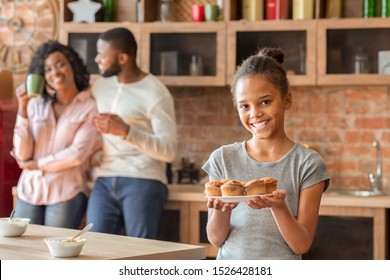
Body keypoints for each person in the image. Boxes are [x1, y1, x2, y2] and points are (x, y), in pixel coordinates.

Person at [202, 47, 330, 260]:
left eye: (265, 102)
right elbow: (215, 239)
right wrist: (222, 211)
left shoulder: (308, 164)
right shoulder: (222, 159)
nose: (255, 113)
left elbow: (301, 245)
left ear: (286, 100)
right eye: (244, 106)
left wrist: (279, 207)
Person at [86, 27, 177, 239]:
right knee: (92, 246)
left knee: (139, 251)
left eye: (103, 55)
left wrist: (126, 131)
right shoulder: (100, 86)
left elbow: (169, 151)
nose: (97, 59)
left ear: (123, 58)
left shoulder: (156, 93)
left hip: (143, 177)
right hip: (105, 177)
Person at [12, 40, 99, 229]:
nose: (55, 72)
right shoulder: (36, 105)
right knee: (23, 251)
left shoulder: (89, 107)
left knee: (57, 252)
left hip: (66, 192)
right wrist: (23, 109)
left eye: (60, 64)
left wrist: (37, 164)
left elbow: (77, 155)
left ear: (72, 66)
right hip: (30, 190)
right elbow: (22, 155)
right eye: (48, 69)